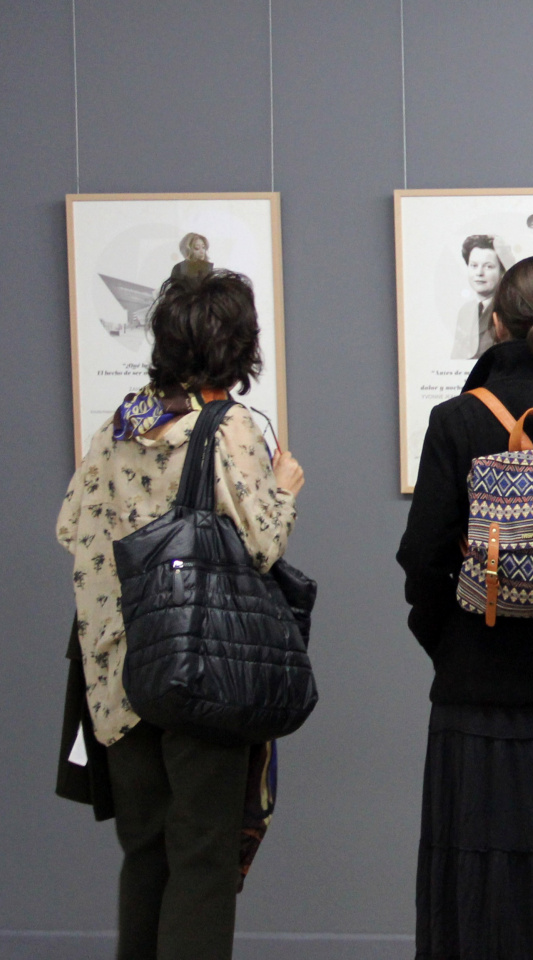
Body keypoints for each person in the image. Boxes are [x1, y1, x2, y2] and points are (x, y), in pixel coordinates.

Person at [57, 269, 304, 960]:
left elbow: (72, 525)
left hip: (119, 669)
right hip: (200, 669)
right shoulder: (230, 427)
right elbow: (262, 542)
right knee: (203, 857)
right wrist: (284, 488)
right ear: (240, 346)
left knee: (146, 854)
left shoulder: (123, 423)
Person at [397, 255, 533, 960]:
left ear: (496, 325)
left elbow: (423, 557)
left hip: (474, 691)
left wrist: (452, 642)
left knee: (474, 880)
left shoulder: (455, 420)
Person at [452, 234, 507, 359]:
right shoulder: (465, 311)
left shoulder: (507, 311)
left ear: (502, 271)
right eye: (474, 265)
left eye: (488, 266)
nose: (479, 273)